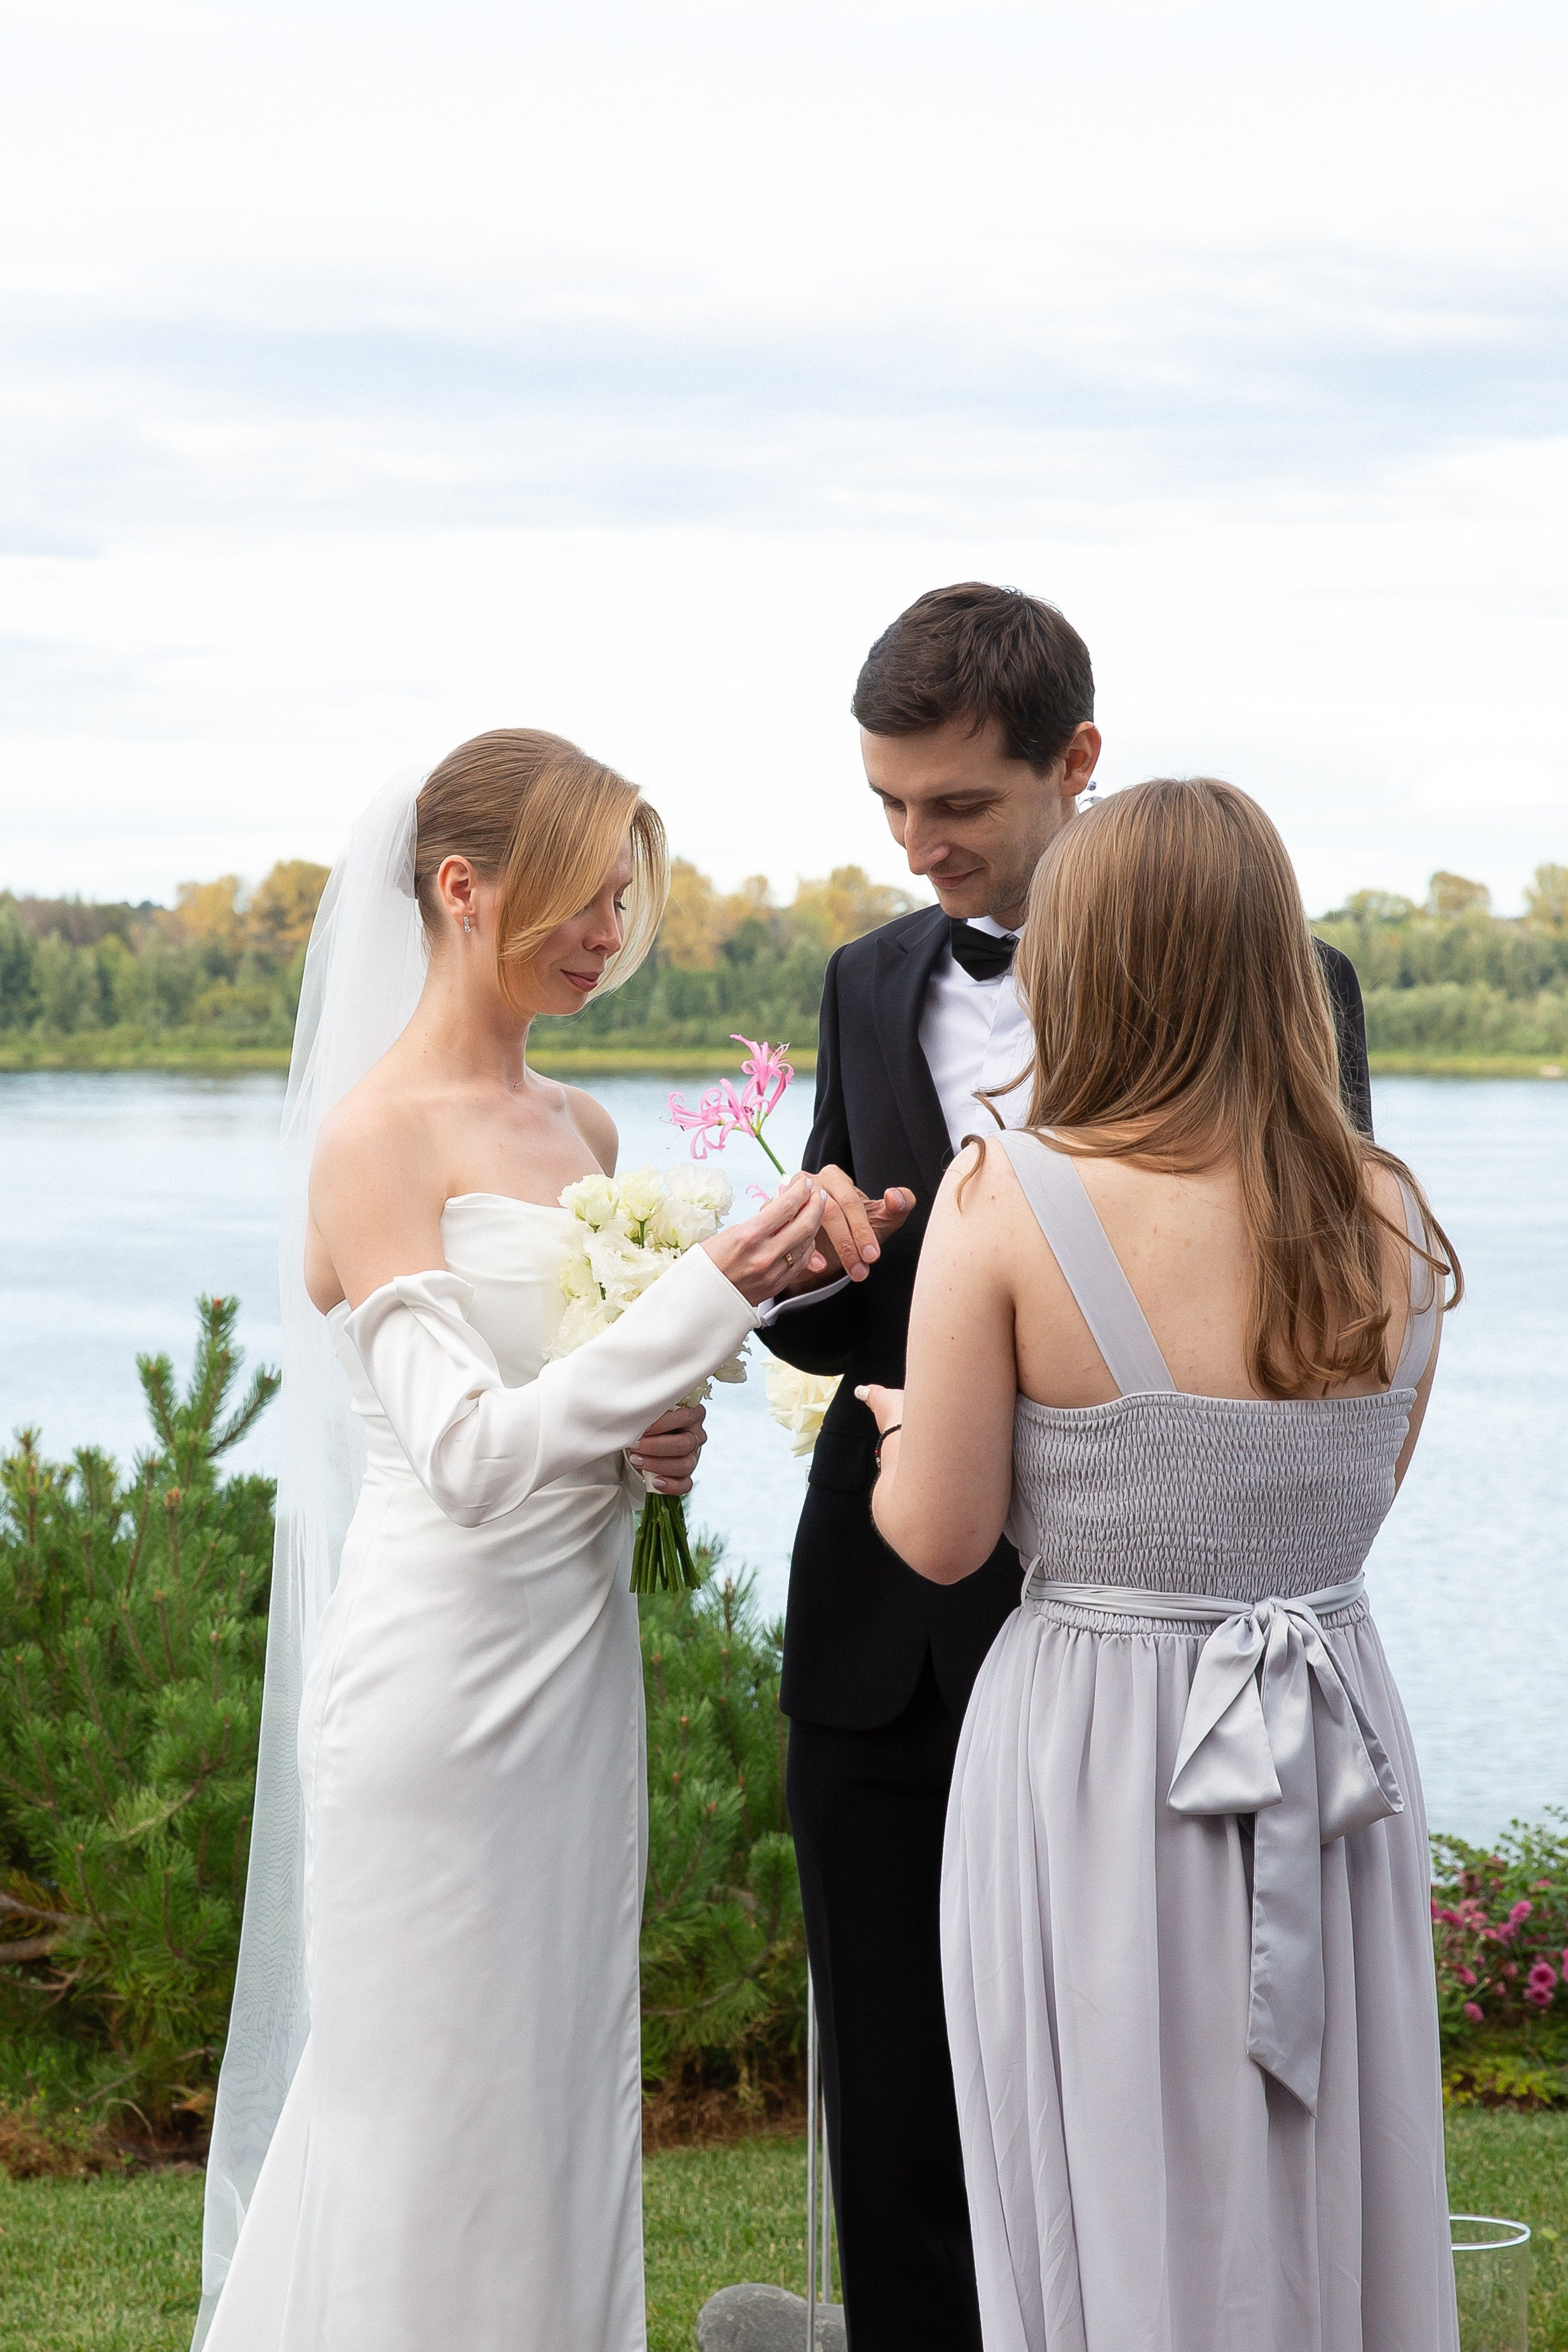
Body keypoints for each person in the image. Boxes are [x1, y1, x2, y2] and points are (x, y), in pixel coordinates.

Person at [762, 585, 1373, 2351]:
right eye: (888, 803)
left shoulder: (1288, 990)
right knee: (893, 2083)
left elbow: (1292, 1315)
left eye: (953, 803)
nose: (914, 842)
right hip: (886, 1609)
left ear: (1075, 762)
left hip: (1154, 1642)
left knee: (1162, 2094)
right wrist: (816, 1261)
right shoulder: (870, 980)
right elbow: (844, 1339)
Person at [194, 729, 828, 2352]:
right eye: (584, 898)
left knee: (558, 2091)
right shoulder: (372, 1141)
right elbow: (470, 1458)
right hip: (434, 1694)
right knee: (424, 2119)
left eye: (626, 903)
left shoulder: (585, 1135)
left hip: (575, 1673)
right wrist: (718, 1287)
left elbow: (570, 1419)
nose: (610, 936)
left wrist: (654, 1446)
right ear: (463, 889)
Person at [859, 775, 1459, 2352]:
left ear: (1091, 962)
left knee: (1098, 2168)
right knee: (1320, 2158)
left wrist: (897, 1441)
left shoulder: (1009, 1197)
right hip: (1329, 1739)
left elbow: (940, 1535)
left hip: (1097, 1755)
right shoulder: (1388, 1210)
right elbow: (1352, 1492)